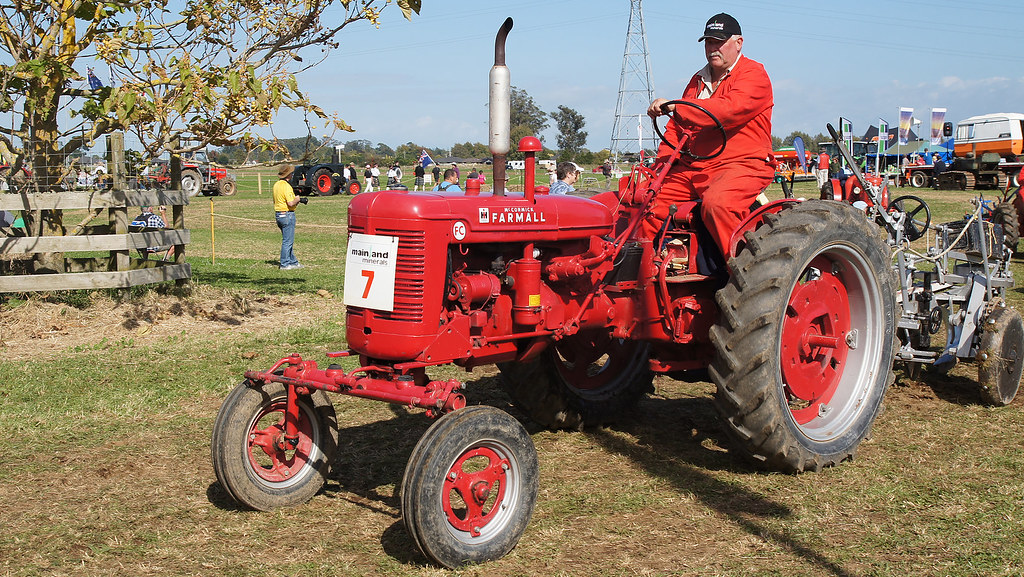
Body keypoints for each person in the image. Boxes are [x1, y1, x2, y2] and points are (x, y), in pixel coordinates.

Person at [645, 13, 774, 259]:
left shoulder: (753, 74)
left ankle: (740, 275)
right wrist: (662, 167)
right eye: (709, 42)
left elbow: (727, 110)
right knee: (646, 203)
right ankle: (638, 273)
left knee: (718, 205)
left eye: (719, 42)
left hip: (742, 164)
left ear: (739, 43)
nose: (713, 48)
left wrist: (677, 106)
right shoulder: (698, 80)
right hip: (696, 167)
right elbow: (677, 129)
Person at [274, 163, 306, 270]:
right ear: (288, 175)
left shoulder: (276, 185)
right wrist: (298, 199)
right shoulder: (286, 186)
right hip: (287, 214)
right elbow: (291, 203)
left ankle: (293, 261)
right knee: (287, 242)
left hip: (278, 214)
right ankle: (284, 264)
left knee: (288, 240)